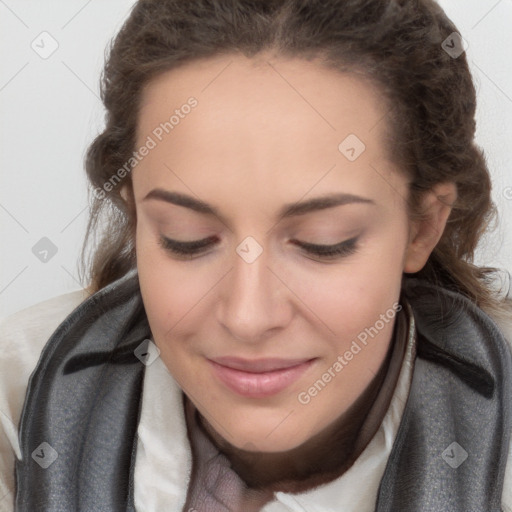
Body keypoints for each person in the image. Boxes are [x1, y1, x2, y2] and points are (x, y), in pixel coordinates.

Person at [1, 0, 512, 510]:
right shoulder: (15, 398)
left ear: (422, 228)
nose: (247, 317)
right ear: (136, 217)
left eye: (323, 242)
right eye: (187, 238)